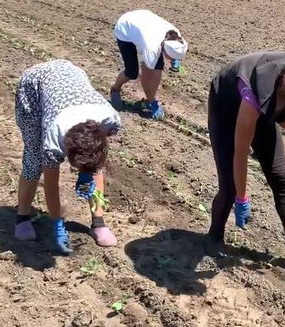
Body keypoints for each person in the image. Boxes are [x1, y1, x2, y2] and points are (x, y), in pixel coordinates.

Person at [205, 39, 285, 277]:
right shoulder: (257, 88)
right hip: (227, 110)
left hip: (257, 108)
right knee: (230, 187)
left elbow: (279, 111)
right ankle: (214, 235)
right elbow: (241, 153)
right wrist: (242, 198)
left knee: (281, 178)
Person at [14, 59, 122, 254]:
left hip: (72, 77)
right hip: (34, 87)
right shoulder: (53, 139)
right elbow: (51, 184)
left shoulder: (109, 119)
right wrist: (57, 223)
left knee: (94, 164)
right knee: (34, 159)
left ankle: (98, 222)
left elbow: (99, 154)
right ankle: (22, 216)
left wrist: (87, 172)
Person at [110, 9, 189, 120]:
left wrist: (175, 58)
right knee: (132, 72)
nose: (172, 60)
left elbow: (158, 69)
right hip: (126, 27)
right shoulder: (151, 48)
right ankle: (115, 89)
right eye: (172, 58)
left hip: (143, 20)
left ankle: (149, 100)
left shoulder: (176, 36)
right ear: (165, 51)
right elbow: (146, 78)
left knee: (158, 66)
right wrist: (152, 102)